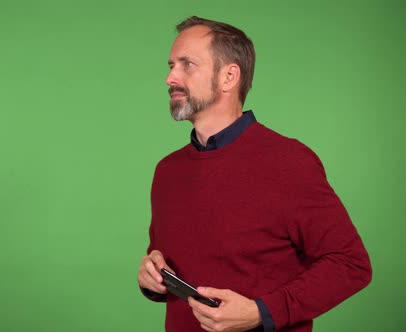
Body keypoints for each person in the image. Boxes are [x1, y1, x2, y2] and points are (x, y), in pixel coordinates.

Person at [137, 16, 372, 332]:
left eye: (187, 65)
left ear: (229, 77)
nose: (170, 78)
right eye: (171, 65)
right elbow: (172, 262)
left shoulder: (289, 162)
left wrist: (262, 312)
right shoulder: (168, 171)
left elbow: (350, 265)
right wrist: (152, 278)